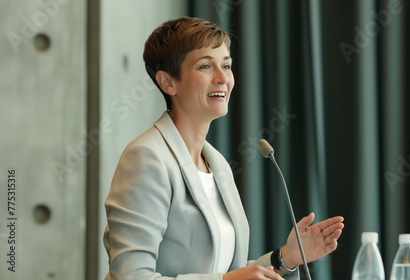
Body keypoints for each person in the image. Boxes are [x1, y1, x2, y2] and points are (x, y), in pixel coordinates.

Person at [103, 16, 344, 280]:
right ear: (167, 82)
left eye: (226, 65)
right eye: (205, 66)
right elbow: (130, 277)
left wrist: (285, 258)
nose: (222, 78)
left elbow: (228, 272)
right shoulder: (147, 158)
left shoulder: (216, 163)